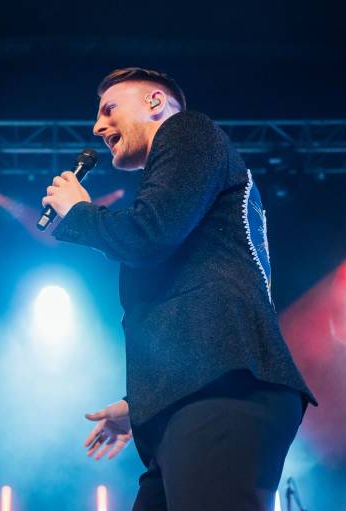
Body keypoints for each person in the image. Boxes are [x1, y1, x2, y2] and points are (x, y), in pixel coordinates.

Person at [41, 68, 317, 510]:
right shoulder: (193, 170)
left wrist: (79, 212)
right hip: (203, 392)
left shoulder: (187, 130)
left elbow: (147, 236)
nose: (97, 126)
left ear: (155, 102)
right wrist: (141, 401)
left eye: (109, 109)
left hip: (226, 393)